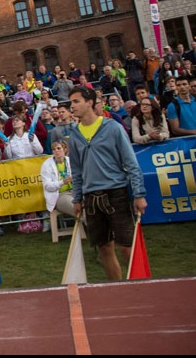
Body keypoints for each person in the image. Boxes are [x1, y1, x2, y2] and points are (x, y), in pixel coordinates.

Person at [68, 85, 147, 280]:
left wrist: (139, 194)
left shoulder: (112, 127)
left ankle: (141, 285)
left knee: (127, 246)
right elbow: (76, 170)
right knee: (103, 247)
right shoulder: (74, 134)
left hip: (116, 193)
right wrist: (77, 198)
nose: (72, 106)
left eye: (76, 101)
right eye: (70, 102)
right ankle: (116, 287)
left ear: (90, 102)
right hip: (90, 196)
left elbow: (131, 162)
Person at [41, 139, 76, 218]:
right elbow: (47, 186)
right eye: (54, 149)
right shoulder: (46, 165)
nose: (56, 151)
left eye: (58, 148)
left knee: (89, 205)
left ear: (65, 149)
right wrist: (62, 182)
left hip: (75, 191)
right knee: (75, 207)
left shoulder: (71, 161)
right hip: (59, 195)